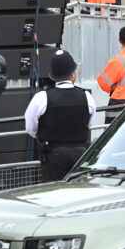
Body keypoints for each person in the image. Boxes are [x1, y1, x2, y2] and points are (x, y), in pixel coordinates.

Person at [24, 50, 96, 181]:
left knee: (53, 193)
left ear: (53, 76)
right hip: (79, 153)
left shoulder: (42, 97)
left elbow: (30, 127)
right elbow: (90, 124)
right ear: (73, 75)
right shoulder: (86, 96)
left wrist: (45, 136)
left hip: (53, 154)